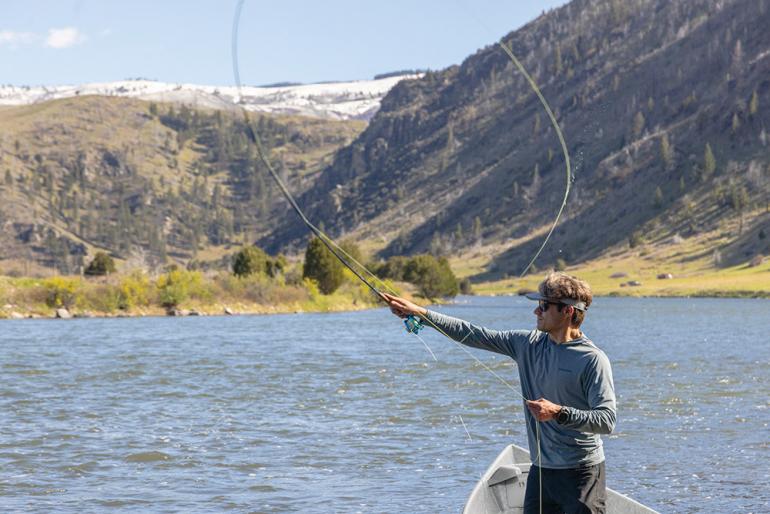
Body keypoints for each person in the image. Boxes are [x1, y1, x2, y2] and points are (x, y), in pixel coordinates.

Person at [383, 272, 615, 514]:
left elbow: (607, 421)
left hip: (581, 474)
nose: (537, 312)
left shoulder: (593, 360)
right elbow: (472, 333)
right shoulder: (527, 344)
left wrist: (558, 412)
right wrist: (421, 313)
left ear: (567, 311)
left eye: (544, 306)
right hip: (541, 472)